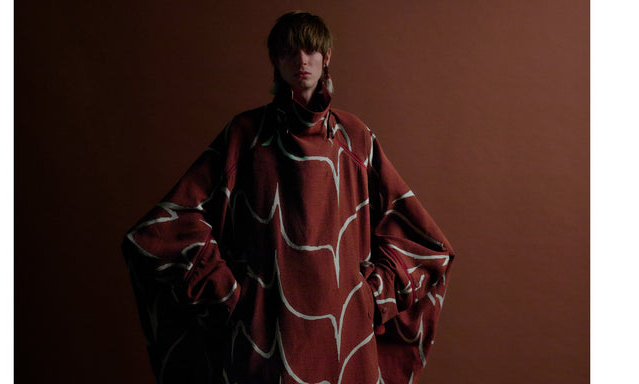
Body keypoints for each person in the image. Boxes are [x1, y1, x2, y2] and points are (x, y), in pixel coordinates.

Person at [122, 11, 455, 384]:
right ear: (275, 61)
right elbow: (165, 227)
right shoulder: (244, 136)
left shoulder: (356, 138)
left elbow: (424, 239)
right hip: (264, 340)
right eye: (289, 51)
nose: (301, 61)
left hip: (346, 340)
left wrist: (373, 296)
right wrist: (227, 294)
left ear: (326, 57)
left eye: (311, 50)